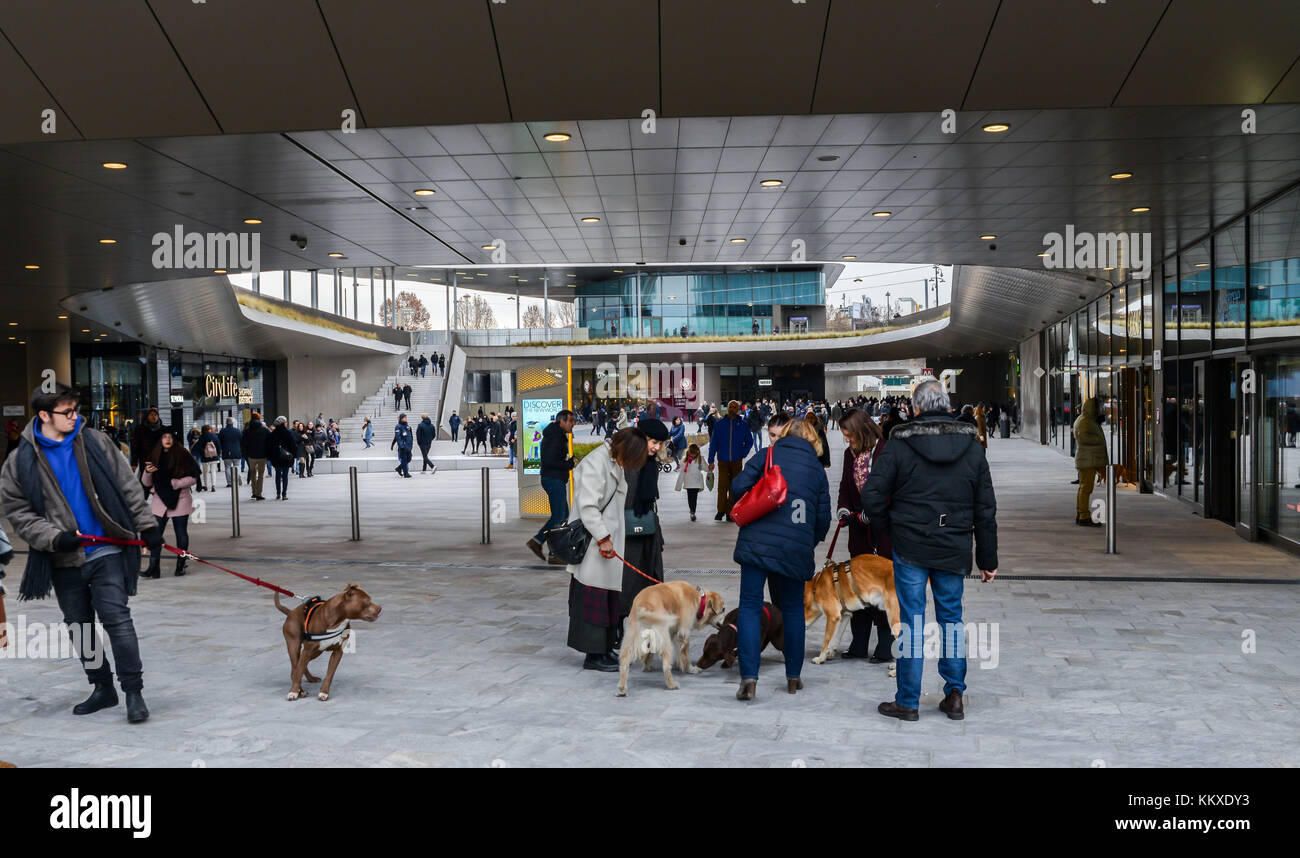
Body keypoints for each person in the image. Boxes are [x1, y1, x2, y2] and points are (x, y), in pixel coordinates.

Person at [0, 382, 162, 723]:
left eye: (76, 410)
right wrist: (55, 538)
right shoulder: (19, 461)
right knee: (79, 626)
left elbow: (127, 485)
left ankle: (133, 691)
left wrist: (147, 525)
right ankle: (102, 687)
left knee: (117, 620)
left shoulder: (95, 442)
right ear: (44, 415)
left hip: (106, 549)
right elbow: (19, 514)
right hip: (63, 557)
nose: (75, 417)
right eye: (67, 412)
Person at [862, 379, 998, 722]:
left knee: (912, 622)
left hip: (910, 546)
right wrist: (988, 559)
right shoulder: (972, 447)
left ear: (916, 408)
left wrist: (890, 529)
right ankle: (954, 695)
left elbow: (873, 496)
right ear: (949, 406)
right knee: (951, 618)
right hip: (952, 546)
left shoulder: (899, 445)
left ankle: (907, 700)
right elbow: (985, 508)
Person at [730, 412, 830, 699]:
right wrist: (806, 542)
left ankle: (749, 678)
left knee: (749, 605)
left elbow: (738, 486)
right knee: (793, 610)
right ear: (812, 439)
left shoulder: (767, 455)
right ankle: (793, 677)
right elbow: (823, 518)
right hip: (795, 547)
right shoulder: (816, 469)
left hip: (756, 543)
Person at [566, 428, 649, 671]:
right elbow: (588, 507)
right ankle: (593, 655)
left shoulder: (613, 461)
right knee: (594, 598)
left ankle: (603, 650)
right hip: (594, 544)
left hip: (606, 544)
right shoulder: (596, 463)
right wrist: (603, 537)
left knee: (608, 598)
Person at [837, 408, 894, 662]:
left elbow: (893, 489)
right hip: (859, 532)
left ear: (861, 430)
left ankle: (885, 645)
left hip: (883, 531)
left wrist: (873, 512)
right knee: (858, 587)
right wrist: (844, 509)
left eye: (850, 436)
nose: (848, 441)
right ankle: (859, 643)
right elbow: (845, 486)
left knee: (882, 587)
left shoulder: (886, 450)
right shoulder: (850, 455)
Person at [618, 419, 669, 631]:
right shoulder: (626, 462)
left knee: (651, 578)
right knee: (627, 581)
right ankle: (618, 625)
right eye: (653, 441)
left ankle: (647, 625)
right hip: (627, 533)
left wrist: (659, 535)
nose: (656, 447)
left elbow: (651, 501)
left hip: (647, 530)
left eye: (660, 443)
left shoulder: (649, 463)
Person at [140, 429, 199, 577]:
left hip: (180, 498)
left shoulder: (183, 455)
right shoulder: (154, 455)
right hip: (160, 500)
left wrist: (175, 483)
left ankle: (180, 565)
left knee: (181, 533)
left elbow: (193, 477)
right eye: (164, 437)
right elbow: (145, 483)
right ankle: (154, 568)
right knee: (155, 534)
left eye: (170, 437)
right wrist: (148, 472)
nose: (167, 439)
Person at [526, 410, 577, 564]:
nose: (573, 424)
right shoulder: (555, 436)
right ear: (561, 421)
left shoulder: (556, 434)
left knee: (563, 517)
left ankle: (555, 553)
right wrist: (569, 464)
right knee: (559, 517)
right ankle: (538, 541)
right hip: (553, 479)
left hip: (554, 479)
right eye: (570, 421)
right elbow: (549, 461)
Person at [707, 400, 754, 522]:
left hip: (736, 461)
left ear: (738, 409)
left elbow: (749, 441)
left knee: (734, 487)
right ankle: (720, 510)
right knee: (722, 486)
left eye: (735, 407)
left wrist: (742, 453)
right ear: (727, 409)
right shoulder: (720, 424)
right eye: (730, 407)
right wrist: (710, 460)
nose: (732, 409)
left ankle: (730, 512)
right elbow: (713, 443)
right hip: (722, 460)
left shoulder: (743, 425)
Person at [1072, 397, 1108, 527]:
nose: (1100, 410)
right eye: (1098, 408)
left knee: (1085, 487)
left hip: (1089, 459)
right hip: (1087, 460)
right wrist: (1099, 441)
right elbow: (1083, 438)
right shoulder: (1085, 421)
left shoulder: (1089, 420)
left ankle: (1081, 513)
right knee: (1086, 488)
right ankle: (1083, 515)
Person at [130, 408, 165, 482]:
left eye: (155, 415)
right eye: (151, 415)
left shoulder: (163, 429)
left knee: (159, 483)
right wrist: (134, 462)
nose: (153, 417)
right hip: (145, 460)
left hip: (160, 461)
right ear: (147, 416)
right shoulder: (140, 429)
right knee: (145, 482)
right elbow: (135, 447)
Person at [242, 412, 270, 501]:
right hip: (262, 455)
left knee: (253, 474)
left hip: (251, 456)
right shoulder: (265, 430)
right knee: (260, 475)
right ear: (259, 418)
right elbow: (269, 442)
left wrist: (246, 454)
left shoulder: (247, 430)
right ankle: (259, 493)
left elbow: (244, 444)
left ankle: (254, 492)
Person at [674, 442, 706, 521]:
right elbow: (682, 473)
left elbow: (705, 467)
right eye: (691, 453)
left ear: (697, 452)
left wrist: (710, 468)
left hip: (696, 482)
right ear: (688, 452)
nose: (692, 455)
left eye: (694, 454)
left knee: (694, 497)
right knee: (690, 497)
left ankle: (693, 512)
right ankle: (692, 510)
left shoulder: (700, 459)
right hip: (688, 482)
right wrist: (679, 485)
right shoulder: (685, 460)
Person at [268, 417, 296, 500]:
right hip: (286, 457)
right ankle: (284, 494)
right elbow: (293, 445)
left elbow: (270, 446)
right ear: (283, 423)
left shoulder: (273, 433)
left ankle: (278, 493)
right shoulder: (288, 432)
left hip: (276, 457)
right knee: (285, 476)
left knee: (277, 475)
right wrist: (292, 454)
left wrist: (271, 457)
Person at [191, 424, 221, 491]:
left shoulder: (201, 437)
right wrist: (218, 455)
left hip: (205, 458)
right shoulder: (214, 436)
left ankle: (206, 486)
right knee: (213, 471)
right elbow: (218, 446)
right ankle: (213, 486)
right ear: (209, 430)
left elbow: (199, 448)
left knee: (205, 472)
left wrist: (203, 453)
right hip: (214, 457)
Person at [218, 417, 242, 487]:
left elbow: (219, 442)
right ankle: (238, 479)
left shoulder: (222, 431)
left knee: (227, 467)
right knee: (237, 466)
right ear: (232, 423)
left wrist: (221, 450)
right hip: (237, 452)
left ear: (226, 423)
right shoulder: (237, 431)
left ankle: (229, 482)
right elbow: (241, 440)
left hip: (226, 452)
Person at [391, 414, 413, 478]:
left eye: (406, 417)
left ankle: (399, 468)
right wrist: (401, 445)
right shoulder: (398, 426)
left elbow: (411, 436)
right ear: (401, 418)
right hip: (403, 446)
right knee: (404, 459)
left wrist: (411, 444)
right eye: (404, 418)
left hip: (408, 446)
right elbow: (397, 437)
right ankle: (406, 473)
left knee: (409, 458)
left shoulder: (408, 426)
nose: (406, 418)